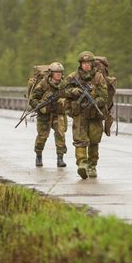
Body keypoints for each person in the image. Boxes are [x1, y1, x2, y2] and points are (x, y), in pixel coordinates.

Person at [64, 51, 108, 179]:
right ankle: (82, 164)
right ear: (80, 64)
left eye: (89, 63)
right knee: (80, 141)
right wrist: (73, 91)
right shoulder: (73, 77)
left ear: (92, 64)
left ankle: (92, 166)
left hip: (94, 114)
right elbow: (62, 91)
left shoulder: (99, 77)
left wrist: (96, 101)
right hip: (79, 114)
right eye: (84, 63)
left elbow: (104, 96)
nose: (86, 65)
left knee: (94, 141)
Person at [29, 62, 68, 167]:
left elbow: (69, 96)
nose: (58, 74)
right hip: (44, 115)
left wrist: (64, 101)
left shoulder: (64, 84)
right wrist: (41, 107)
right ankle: (38, 156)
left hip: (58, 113)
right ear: (51, 73)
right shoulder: (43, 84)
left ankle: (60, 159)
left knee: (60, 134)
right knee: (42, 136)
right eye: (56, 72)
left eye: (60, 72)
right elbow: (32, 99)